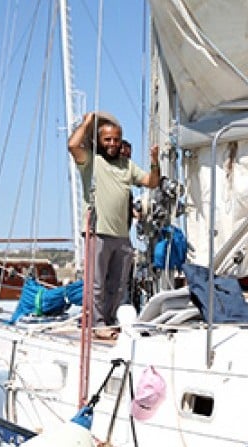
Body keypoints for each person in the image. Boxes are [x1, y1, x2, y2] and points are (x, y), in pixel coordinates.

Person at [68, 111, 160, 336]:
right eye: (107, 139)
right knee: (97, 284)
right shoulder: (91, 161)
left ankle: (112, 322)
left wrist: (155, 162)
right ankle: (98, 325)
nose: (112, 143)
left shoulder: (126, 166)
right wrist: (88, 122)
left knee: (119, 285)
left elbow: (151, 181)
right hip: (97, 231)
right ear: (99, 141)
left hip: (121, 235)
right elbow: (73, 145)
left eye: (116, 139)